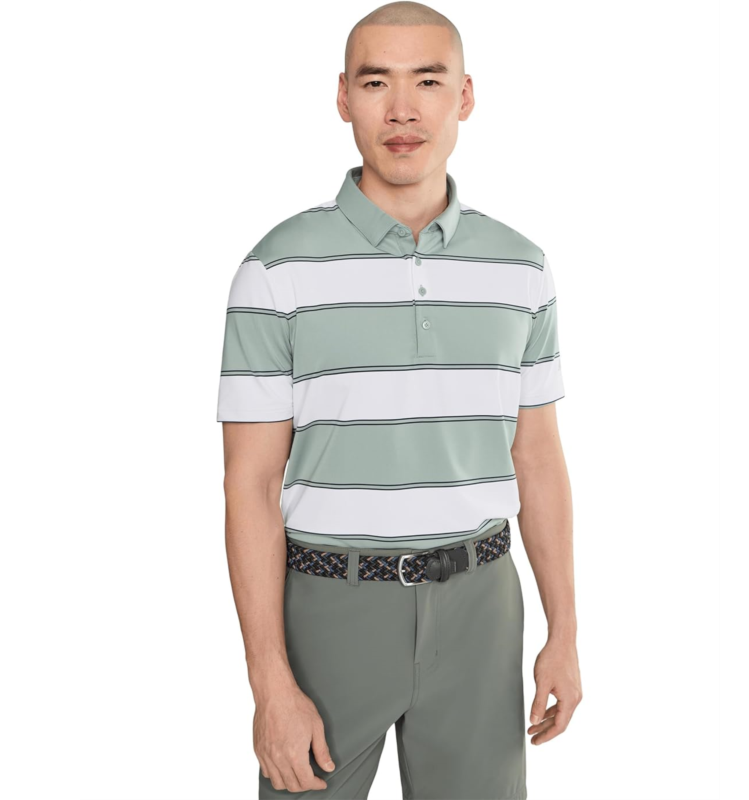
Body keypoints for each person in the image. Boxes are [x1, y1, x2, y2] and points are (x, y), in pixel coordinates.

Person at [217, 2, 582, 797]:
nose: (403, 110)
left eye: (429, 80)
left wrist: (564, 631)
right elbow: (250, 481)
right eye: (376, 81)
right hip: (328, 608)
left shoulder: (521, 269)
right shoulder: (276, 271)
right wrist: (269, 681)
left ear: (466, 96)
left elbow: (537, 457)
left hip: (483, 606)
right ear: (343, 97)